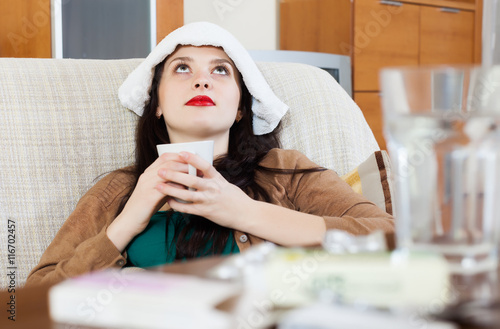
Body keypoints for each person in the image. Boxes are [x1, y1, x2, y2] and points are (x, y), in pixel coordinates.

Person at [26, 22, 394, 287]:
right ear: (155, 104)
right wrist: (127, 223)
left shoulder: (286, 168)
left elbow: (389, 239)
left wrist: (246, 212)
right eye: (182, 68)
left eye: (220, 71)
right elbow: (28, 309)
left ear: (239, 109)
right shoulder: (119, 189)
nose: (201, 80)